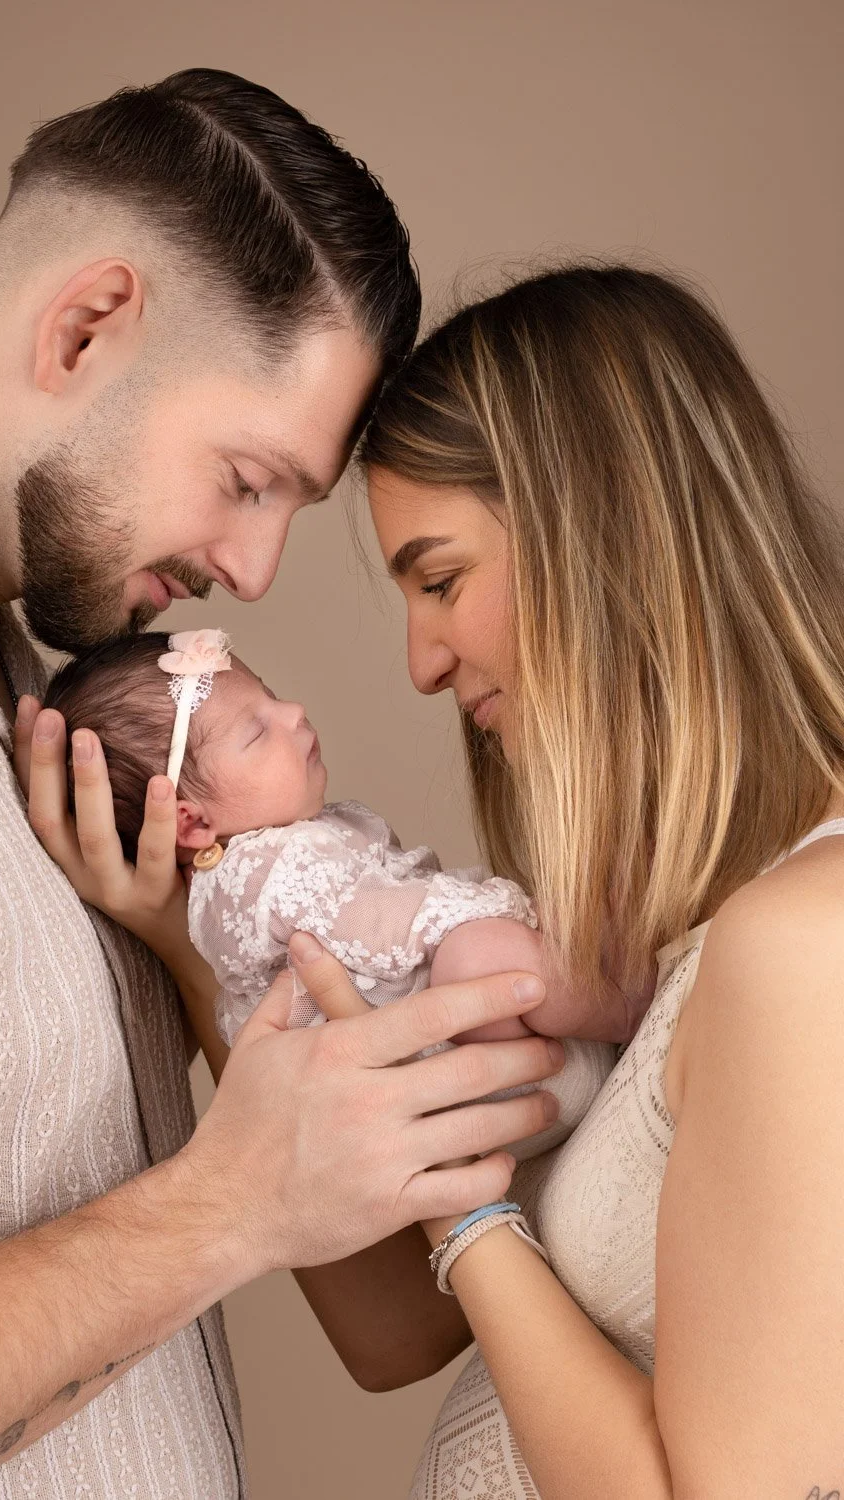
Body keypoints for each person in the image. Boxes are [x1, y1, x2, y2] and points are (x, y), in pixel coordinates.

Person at [0, 71, 566, 1499]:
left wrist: (187, 953)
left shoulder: (58, 711)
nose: (254, 569)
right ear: (87, 326)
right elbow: (236, 1214)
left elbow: (394, 1326)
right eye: (247, 479)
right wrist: (223, 1208)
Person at [348, 262, 844, 1496]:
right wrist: (204, 929)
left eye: (441, 581)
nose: (421, 661)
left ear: (599, 536)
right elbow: (396, 1336)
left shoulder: (804, 943)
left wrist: (464, 1217)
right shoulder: (682, 934)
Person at [39, 625, 627, 1151]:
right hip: (464, 1077)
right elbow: (380, 924)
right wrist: (510, 907)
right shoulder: (254, 878)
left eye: (272, 695)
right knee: (481, 952)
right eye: (256, 732)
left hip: (493, 1055)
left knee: (566, 907)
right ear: (192, 824)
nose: (293, 712)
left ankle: (615, 977)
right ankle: (634, 1000)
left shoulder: (285, 841)